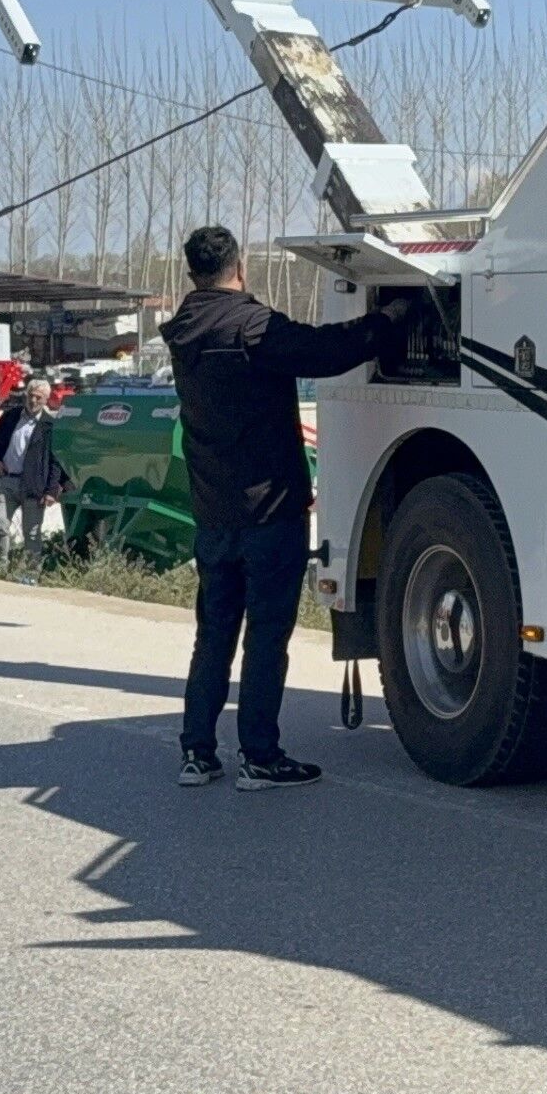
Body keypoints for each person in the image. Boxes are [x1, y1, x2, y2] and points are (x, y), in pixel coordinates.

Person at [164, 225, 408, 790]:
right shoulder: (250, 326)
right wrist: (389, 320)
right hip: (268, 512)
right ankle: (260, 757)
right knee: (267, 637)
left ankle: (197, 753)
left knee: (213, 635)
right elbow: (326, 351)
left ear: (192, 273)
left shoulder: (181, 332)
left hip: (214, 515)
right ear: (239, 266)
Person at [0, 376, 66, 557]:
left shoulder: (49, 425)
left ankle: (31, 571)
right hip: (7, 481)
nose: (33, 400)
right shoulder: (11, 416)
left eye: (38, 397)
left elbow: (55, 461)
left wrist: (51, 491)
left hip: (34, 486)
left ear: (46, 399)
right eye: (31, 396)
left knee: (32, 533)